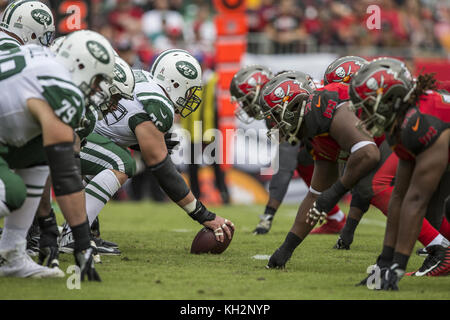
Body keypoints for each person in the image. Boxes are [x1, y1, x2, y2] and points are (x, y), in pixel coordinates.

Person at [57, 48, 235, 253]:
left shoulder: (144, 78)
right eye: (188, 91)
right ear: (176, 84)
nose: (189, 99)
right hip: (71, 136)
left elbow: (112, 130)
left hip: (74, 130)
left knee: (110, 158)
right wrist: (204, 215)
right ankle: (74, 234)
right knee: (121, 163)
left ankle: (82, 231)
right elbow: (163, 170)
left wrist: (139, 144)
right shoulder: (158, 105)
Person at [0, 29, 116, 280]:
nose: (95, 89)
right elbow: (64, 173)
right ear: (82, 65)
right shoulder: (62, 87)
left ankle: (11, 253)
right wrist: (83, 243)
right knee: (11, 192)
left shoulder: (38, 56)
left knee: (38, 154)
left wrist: (49, 226)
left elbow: (47, 162)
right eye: (96, 80)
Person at [261, 70, 381, 269]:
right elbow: (315, 196)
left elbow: (369, 154)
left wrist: (335, 192)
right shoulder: (315, 130)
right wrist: (286, 248)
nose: (275, 125)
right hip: (397, 145)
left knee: (377, 188)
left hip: (410, 136)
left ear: (293, 104)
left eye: (275, 116)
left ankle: (426, 252)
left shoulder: (327, 106)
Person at [350, 58, 450, 289]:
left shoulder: (422, 121)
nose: (362, 116)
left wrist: (397, 268)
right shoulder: (402, 124)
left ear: (390, 98)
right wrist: (384, 263)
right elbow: (399, 198)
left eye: (366, 106)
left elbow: (416, 200)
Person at [230, 64, 347, 235]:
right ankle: (335, 217)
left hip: (348, 123)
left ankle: (395, 249)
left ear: (256, 90)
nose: (244, 107)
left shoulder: (282, 98)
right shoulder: (280, 93)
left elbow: (285, 164)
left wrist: (268, 215)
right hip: (335, 127)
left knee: (371, 184)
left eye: (245, 99)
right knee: (304, 158)